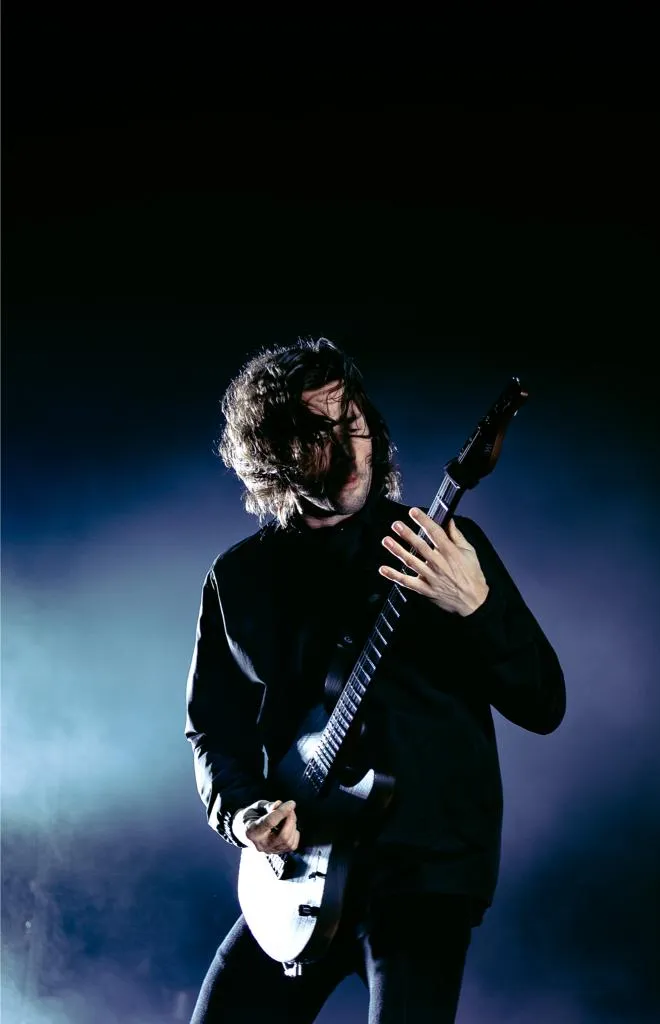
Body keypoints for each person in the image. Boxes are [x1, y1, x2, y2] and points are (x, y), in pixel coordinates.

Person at [185, 337, 566, 1023]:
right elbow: (214, 729)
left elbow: (544, 704)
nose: (346, 451)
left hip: (424, 877)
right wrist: (243, 816)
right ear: (269, 454)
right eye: (314, 435)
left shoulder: (441, 548)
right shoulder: (237, 579)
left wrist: (476, 609)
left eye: (352, 424)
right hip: (297, 876)